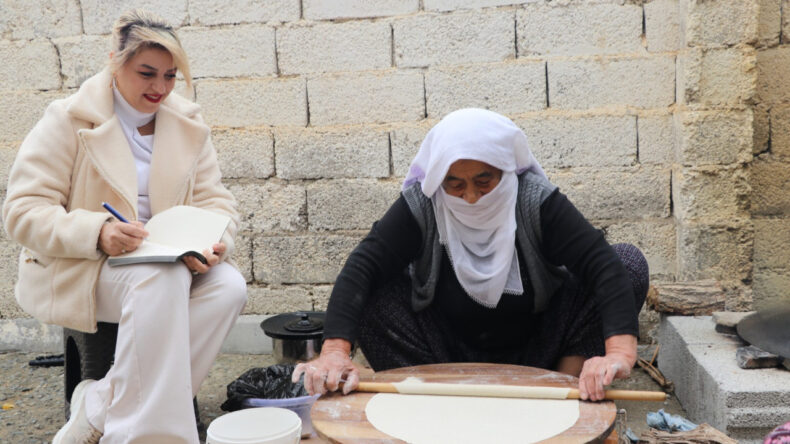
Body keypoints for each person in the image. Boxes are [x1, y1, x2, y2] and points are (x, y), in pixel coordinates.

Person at [3, 10, 247, 444]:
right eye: (146, 73)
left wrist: (214, 242)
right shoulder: (69, 119)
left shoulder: (187, 122)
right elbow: (22, 211)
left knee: (228, 286)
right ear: (114, 61)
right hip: (84, 266)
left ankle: (99, 406)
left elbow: (216, 201)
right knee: (159, 277)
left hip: (169, 261)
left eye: (170, 76)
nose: (159, 88)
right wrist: (97, 232)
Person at [293, 108, 649, 402]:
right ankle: (432, 396)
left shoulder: (532, 199)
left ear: (505, 170)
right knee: (374, 294)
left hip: (540, 349)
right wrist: (335, 353)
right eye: (455, 184)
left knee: (628, 263)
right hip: (443, 354)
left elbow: (602, 264)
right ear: (438, 180)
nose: (472, 198)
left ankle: (561, 389)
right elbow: (362, 267)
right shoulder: (424, 204)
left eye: (484, 181)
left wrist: (619, 352)